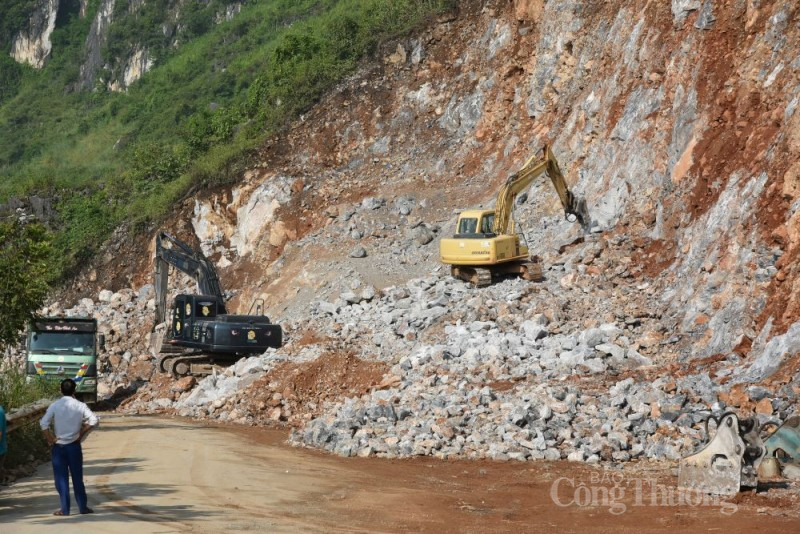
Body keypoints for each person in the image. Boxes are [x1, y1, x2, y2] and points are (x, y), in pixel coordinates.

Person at [40, 378, 99, 516]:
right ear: (74, 391)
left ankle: (64, 509)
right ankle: (83, 507)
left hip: (59, 447)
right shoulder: (80, 405)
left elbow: (44, 424)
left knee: (61, 479)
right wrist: (81, 432)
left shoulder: (55, 405)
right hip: (74, 446)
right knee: (77, 478)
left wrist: (50, 439)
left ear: (61, 390)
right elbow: (94, 420)